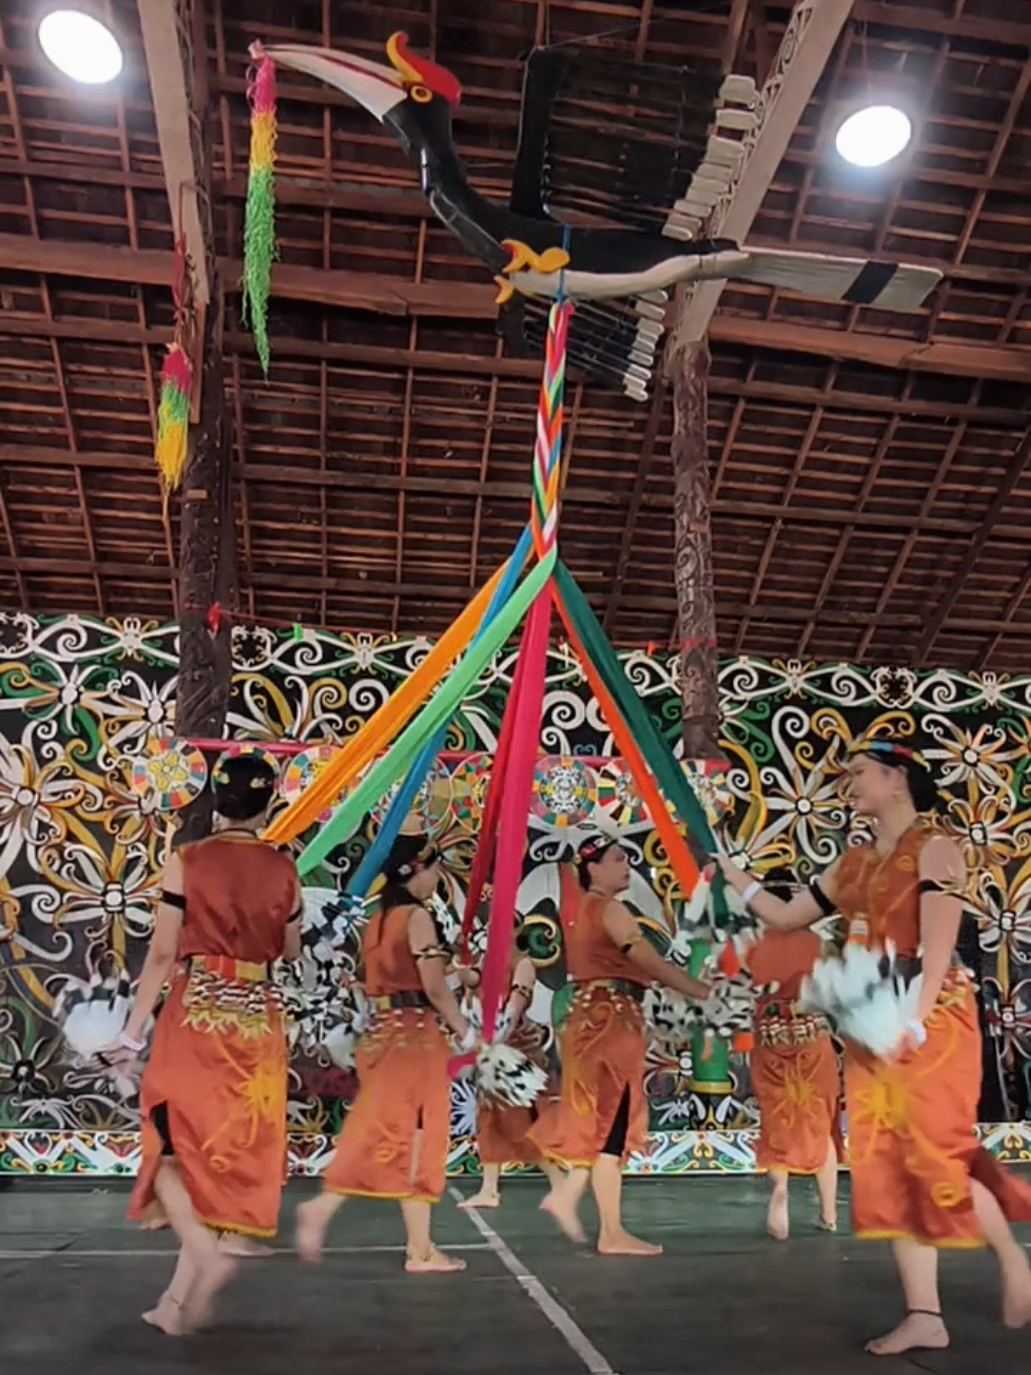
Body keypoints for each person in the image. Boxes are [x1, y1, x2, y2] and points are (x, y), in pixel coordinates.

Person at [716, 735, 1031, 1355]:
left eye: (860, 772)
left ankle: (1017, 1267)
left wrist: (913, 1018)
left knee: (938, 1153)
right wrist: (730, 874)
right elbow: (784, 917)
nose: (849, 782)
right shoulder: (852, 863)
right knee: (890, 1162)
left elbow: (939, 944)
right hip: (869, 1016)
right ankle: (925, 1314)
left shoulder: (936, 848)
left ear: (898, 779)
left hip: (929, 1018)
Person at [110, 753, 301, 1336]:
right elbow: (289, 952)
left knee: (168, 1143)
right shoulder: (283, 866)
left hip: (197, 1015)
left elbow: (164, 954)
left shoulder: (187, 860)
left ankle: (202, 1251)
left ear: (215, 801)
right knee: (221, 1153)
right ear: (268, 803)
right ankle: (175, 1303)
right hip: (258, 1019)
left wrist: (131, 1029)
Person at [295, 832, 476, 1273]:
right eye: (433, 867)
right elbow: (431, 987)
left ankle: (417, 1246)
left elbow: (401, 981)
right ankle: (407, 1243)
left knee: (398, 1135)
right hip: (414, 1039)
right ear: (416, 870)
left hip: (383, 1037)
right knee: (420, 1136)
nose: (437, 876)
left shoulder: (378, 920)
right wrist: (465, 1030)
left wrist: (455, 979)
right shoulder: (416, 918)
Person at [529, 835, 710, 1255]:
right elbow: (647, 960)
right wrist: (696, 989)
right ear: (592, 868)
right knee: (612, 1125)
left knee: (600, 1120)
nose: (626, 864)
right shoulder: (609, 909)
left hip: (591, 1020)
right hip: (609, 1024)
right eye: (617, 859)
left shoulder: (582, 911)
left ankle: (570, 1197)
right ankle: (610, 1232)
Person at [745, 870, 841, 1241]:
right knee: (821, 1122)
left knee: (777, 1118)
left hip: (770, 1042)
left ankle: (780, 1190)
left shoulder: (752, 945)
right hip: (811, 1041)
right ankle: (828, 1214)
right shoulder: (817, 944)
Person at [458, 924, 564, 1209]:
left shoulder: (524, 963)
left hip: (513, 1050)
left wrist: (496, 1038)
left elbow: (516, 1004)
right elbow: (470, 978)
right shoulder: (485, 962)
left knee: (516, 1122)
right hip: (491, 1048)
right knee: (488, 1120)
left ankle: (558, 1182)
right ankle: (489, 1189)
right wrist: (455, 960)